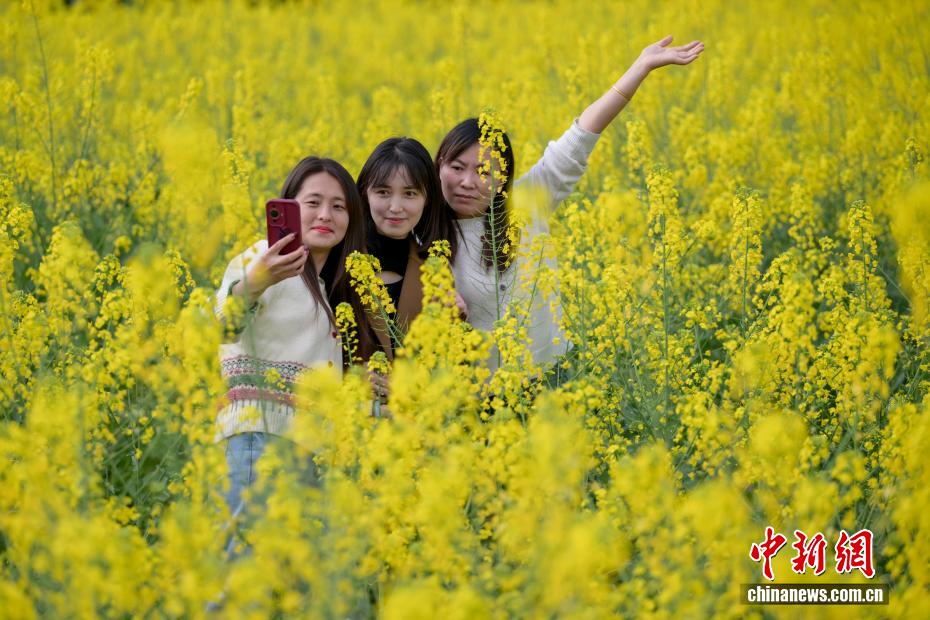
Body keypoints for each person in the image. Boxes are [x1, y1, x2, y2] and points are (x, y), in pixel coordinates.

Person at [435, 35, 705, 371]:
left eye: (483, 171)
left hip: (553, 378)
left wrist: (641, 67)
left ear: (503, 177)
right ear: (438, 166)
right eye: (456, 167)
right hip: (481, 397)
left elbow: (580, 138)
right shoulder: (424, 235)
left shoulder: (527, 203)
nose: (466, 181)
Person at [213, 156, 368, 520]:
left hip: (305, 447)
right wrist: (256, 281)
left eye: (338, 206)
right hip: (258, 439)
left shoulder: (329, 286)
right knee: (246, 563)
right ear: (289, 207)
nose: (325, 215)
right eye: (312, 203)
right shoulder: (262, 259)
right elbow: (222, 323)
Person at [355, 137, 466, 400]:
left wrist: (458, 322)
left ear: (427, 199)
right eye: (383, 192)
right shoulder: (341, 263)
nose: (396, 207)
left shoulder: (434, 270)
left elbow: (449, 371)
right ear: (364, 194)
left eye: (410, 193)